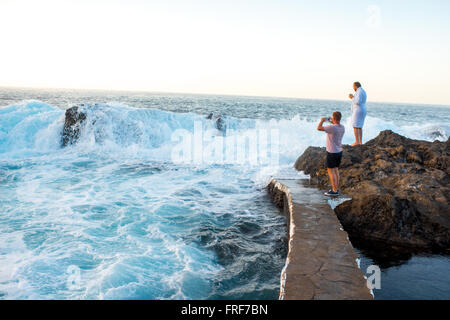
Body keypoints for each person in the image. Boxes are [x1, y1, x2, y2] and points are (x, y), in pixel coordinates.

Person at [317, 111, 345, 197]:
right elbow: (334, 124)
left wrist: (322, 120)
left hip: (332, 152)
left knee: (331, 171)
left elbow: (319, 128)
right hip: (339, 151)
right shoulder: (342, 127)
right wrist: (331, 121)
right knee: (336, 170)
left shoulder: (332, 128)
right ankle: (336, 188)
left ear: (334, 118)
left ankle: (334, 191)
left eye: (332, 117)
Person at [348, 82, 367, 146]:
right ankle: (360, 142)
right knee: (359, 126)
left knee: (355, 125)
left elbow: (358, 101)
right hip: (362, 109)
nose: (353, 88)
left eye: (353, 87)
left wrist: (352, 97)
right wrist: (354, 97)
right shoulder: (363, 91)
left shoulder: (359, 91)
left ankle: (357, 142)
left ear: (355, 86)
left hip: (358, 110)